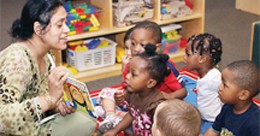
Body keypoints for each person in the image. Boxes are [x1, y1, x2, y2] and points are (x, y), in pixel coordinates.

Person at [0, 0, 96, 135]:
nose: (67, 29)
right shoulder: (17, 61)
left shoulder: (46, 55)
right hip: (17, 130)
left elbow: (36, 93)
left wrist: (56, 105)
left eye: (65, 23)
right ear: (38, 29)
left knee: (63, 73)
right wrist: (49, 100)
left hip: (34, 121)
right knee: (85, 122)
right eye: (59, 25)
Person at [97, 21, 187, 129]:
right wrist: (123, 95)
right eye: (133, 44)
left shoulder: (165, 67)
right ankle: (111, 116)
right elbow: (128, 86)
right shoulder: (132, 62)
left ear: (157, 47)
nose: (135, 49)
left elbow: (183, 91)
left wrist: (168, 96)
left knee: (160, 117)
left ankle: (116, 115)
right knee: (107, 92)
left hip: (158, 107)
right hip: (136, 102)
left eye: (142, 45)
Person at [103, 44, 169, 136]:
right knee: (126, 130)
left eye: (133, 74)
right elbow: (132, 114)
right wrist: (116, 130)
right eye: (128, 71)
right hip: (137, 131)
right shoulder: (134, 94)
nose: (127, 76)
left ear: (150, 83)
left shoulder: (157, 105)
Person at [204, 60, 260, 136]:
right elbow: (214, 130)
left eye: (225, 85)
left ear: (243, 94)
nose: (220, 87)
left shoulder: (255, 123)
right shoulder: (227, 107)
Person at [183, 33, 223, 134]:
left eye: (188, 55)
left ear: (201, 59)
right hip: (204, 117)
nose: (184, 58)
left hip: (213, 121)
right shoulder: (204, 75)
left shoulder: (214, 78)